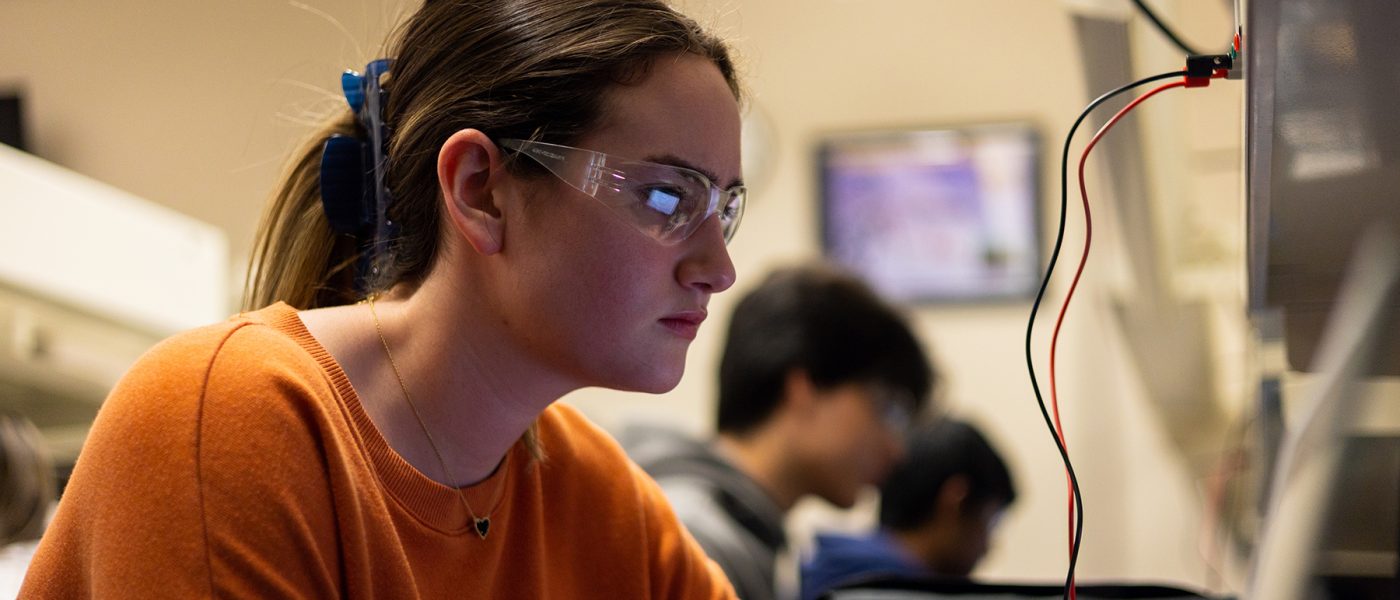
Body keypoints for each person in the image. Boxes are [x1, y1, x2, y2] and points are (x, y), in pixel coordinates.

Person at [21, 1, 748, 597]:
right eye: (666, 196)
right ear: (480, 191)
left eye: (726, 209)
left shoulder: (599, 499)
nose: (719, 267)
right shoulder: (227, 414)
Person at [624, 263, 934, 600]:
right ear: (804, 389)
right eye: (889, 408)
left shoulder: (744, 532)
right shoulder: (697, 539)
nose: (897, 448)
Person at [800, 419, 1016, 600]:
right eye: (991, 523)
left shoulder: (833, 572)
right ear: (956, 501)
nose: (988, 548)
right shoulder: (896, 592)